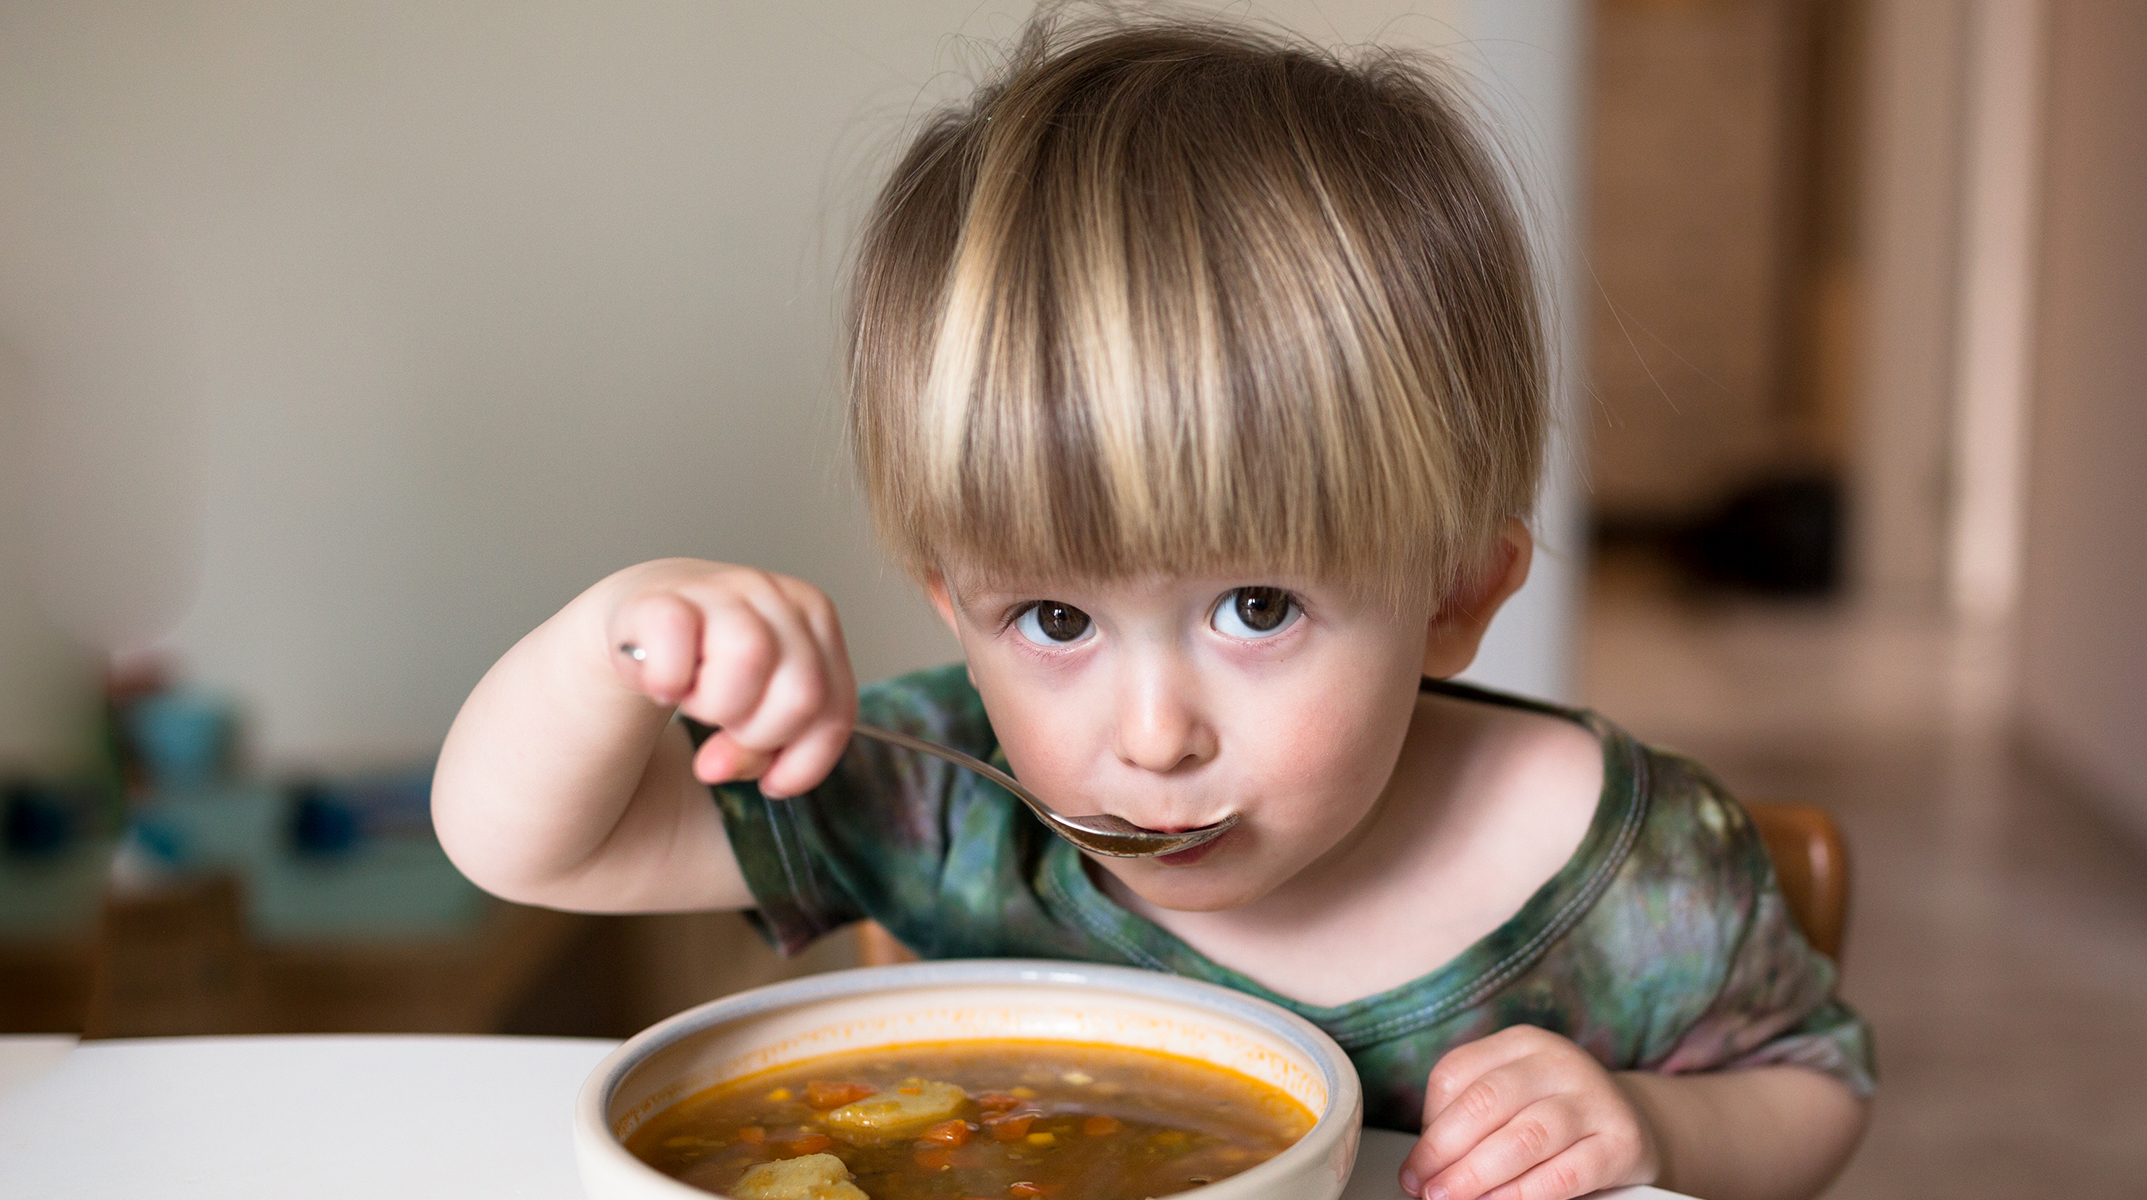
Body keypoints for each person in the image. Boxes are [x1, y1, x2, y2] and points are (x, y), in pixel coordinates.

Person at [433, 12, 1873, 1200]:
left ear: (1455, 598)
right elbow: (532, 849)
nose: (1152, 735)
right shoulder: (944, 798)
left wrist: (1653, 1128)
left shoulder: (1636, 873)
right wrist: (619, 638)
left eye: (1256, 607)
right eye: (1052, 622)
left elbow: (1814, 1083)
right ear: (953, 603)